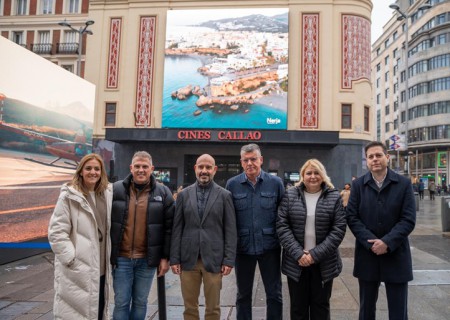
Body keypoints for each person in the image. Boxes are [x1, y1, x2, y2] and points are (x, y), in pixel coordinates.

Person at [346, 141, 416, 320]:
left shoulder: (404, 184)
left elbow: (408, 219)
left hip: (396, 254)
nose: (375, 159)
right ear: (367, 161)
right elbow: (352, 218)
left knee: (398, 311)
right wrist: (371, 243)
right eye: (370, 157)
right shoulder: (358, 185)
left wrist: (387, 242)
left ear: (387, 157)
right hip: (368, 255)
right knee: (366, 309)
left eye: (378, 155)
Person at [277, 159, 346, 319]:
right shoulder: (290, 195)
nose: (313, 176)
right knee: (297, 308)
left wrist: (314, 255)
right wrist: (299, 254)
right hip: (296, 262)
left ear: (323, 175)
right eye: (309, 173)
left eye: (317, 173)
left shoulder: (334, 196)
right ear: (302, 176)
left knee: (321, 308)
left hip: (323, 262)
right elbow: (282, 226)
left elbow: (338, 229)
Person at [170, 154, 237, 320]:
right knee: (189, 308)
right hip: (188, 259)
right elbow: (177, 228)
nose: (204, 171)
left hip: (214, 259)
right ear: (195, 169)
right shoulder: (184, 195)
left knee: (213, 308)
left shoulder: (225, 195)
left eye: (208, 167)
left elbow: (230, 230)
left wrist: (229, 259)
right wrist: (174, 259)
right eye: (201, 167)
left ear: (214, 170)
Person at [110, 151, 175, 319]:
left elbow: (169, 228)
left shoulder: (163, 192)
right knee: (121, 302)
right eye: (137, 166)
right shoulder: (115, 190)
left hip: (147, 260)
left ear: (152, 168)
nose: (141, 170)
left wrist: (165, 257)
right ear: (131, 168)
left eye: (145, 166)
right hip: (122, 259)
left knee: (140, 302)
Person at [48, 153, 112, 319]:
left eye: (97, 169)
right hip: (77, 270)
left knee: (98, 311)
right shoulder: (68, 196)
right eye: (88, 168)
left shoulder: (107, 195)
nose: (93, 172)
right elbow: (56, 232)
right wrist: (71, 259)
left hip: (101, 268)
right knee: (74, 313)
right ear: (81, 171)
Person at [226, 143, 285, 320]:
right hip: (242, 249)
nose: (250, 163)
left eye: (253, 159)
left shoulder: (276, 183)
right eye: (246, 160)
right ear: (241, 162)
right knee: (243, 295)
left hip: (270, 247)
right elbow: (229, 220)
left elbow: (283, 216)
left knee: (274, 294)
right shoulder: (232, 184)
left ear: (261, 160)